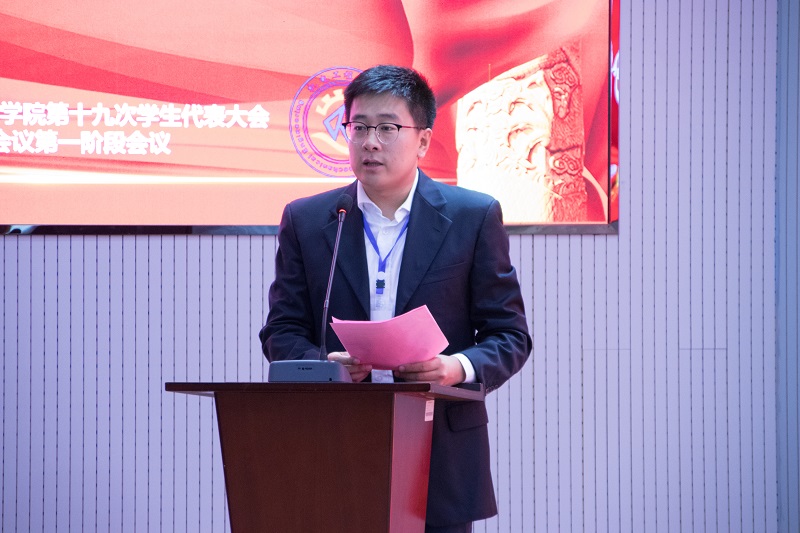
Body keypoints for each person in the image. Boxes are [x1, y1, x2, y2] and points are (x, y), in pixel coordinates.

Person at [259, 65, 532, 533]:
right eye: (359, 127)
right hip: (335, 441)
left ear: (422, 141)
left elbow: (510, 336)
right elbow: (281, 332)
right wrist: (326, 366)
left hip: (440, 448)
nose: (370, 142)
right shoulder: (309, 219)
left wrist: (455, 368)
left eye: (387, 128)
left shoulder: (472, 216)